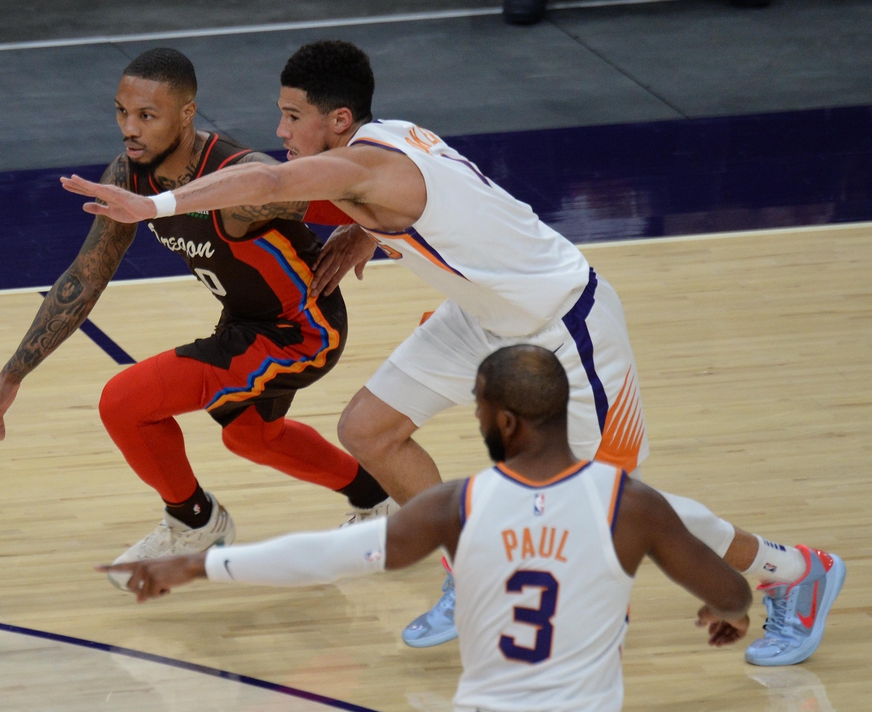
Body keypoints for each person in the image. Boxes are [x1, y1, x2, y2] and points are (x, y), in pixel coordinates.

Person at [60, 40, 845, 663]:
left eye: (291, 116)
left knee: (611, 512)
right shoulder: (386, 143)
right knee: (369, 429)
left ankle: (796, 572)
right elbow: (427, 195)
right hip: (483, 315)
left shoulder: (368, 163)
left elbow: (266, 185)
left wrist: (152, 202)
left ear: (336, 122)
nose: (279, 131)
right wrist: (368, 230)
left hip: (566, 327)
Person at [99, 345, 755, 712]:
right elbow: (728, 587)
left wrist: (199, 567)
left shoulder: (457, 506)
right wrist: (726, 611)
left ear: (501, 419)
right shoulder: (633, 506)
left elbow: (320, 556)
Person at [0, 48, 394, 589]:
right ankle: (376, 497)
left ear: (187, 114)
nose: (129, 130)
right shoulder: (130, 177)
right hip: (247, 323)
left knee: (126, 400)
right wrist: (11, 374)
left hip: (299, 331)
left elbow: (381, 188)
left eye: (147, 116)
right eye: (122, 113)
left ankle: (194, 521)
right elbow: (85, 278)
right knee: (251, 437)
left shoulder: (244, 182)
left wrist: (366, 232)